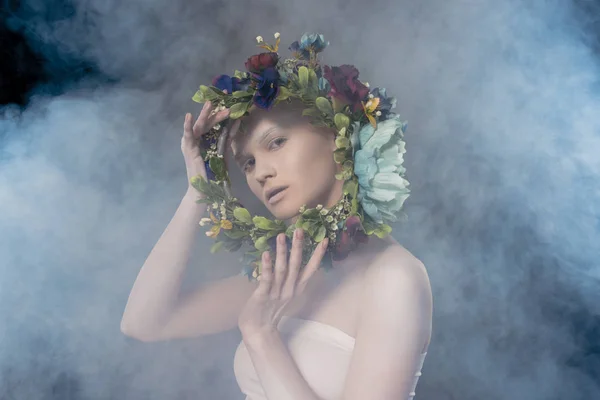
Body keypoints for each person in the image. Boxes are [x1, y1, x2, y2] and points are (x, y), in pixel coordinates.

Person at [121, 32, 433, 400]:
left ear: (337, 135)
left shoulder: (394, 277)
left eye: (276, 143)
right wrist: (197, 190)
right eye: (248, 163)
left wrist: (261, 336)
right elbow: (144, 322)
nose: (260, 173)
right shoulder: (284, 273)